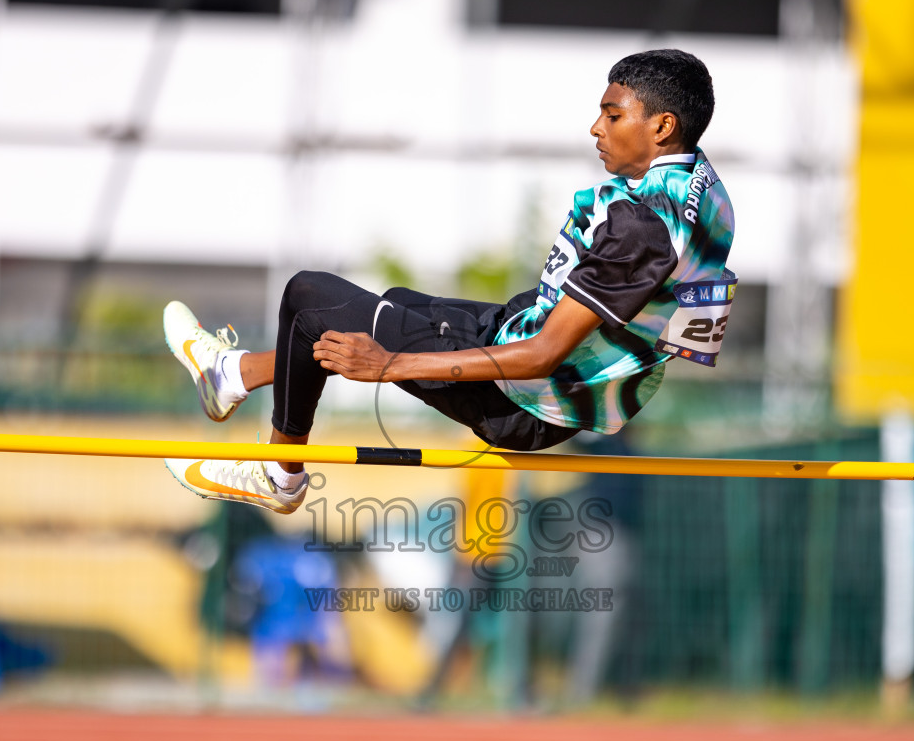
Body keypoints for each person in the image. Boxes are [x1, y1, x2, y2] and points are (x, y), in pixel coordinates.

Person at [159, 49, 736, 514]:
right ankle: (232, 374)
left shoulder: (642, 226)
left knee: (310, 298)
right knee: (393, 303)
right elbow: (690, 319)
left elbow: (541, 355)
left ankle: (279, 475)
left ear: (662, 126)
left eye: (612, 115)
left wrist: (388, 366)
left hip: (528, 398)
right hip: (547, 348)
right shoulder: (707, 191)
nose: (595, 128)